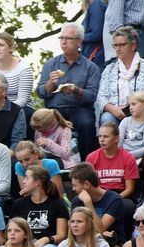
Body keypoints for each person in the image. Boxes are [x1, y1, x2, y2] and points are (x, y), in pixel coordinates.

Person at [36, 23, 100, 156]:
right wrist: (50, 84)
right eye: (61, 38)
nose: (63, 41)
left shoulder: (91, 67)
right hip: (55, 109)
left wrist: (76, 90)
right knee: (38, 121)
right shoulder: (51, 64)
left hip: (79, 108)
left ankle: (87, 164)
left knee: (87, 124)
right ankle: (45, 164)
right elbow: (41, 92)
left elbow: (92, 96)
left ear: (79, 42)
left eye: (68, 38)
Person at [96, 26, 144, 127]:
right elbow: (101, 97)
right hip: (116, 112)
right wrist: (114, 110)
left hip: (143, 111)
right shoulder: (109, 69)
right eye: (115, 45)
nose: (118, 49)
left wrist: (135, 108)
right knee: (106, 118)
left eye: (122, 45)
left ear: (133, 45)